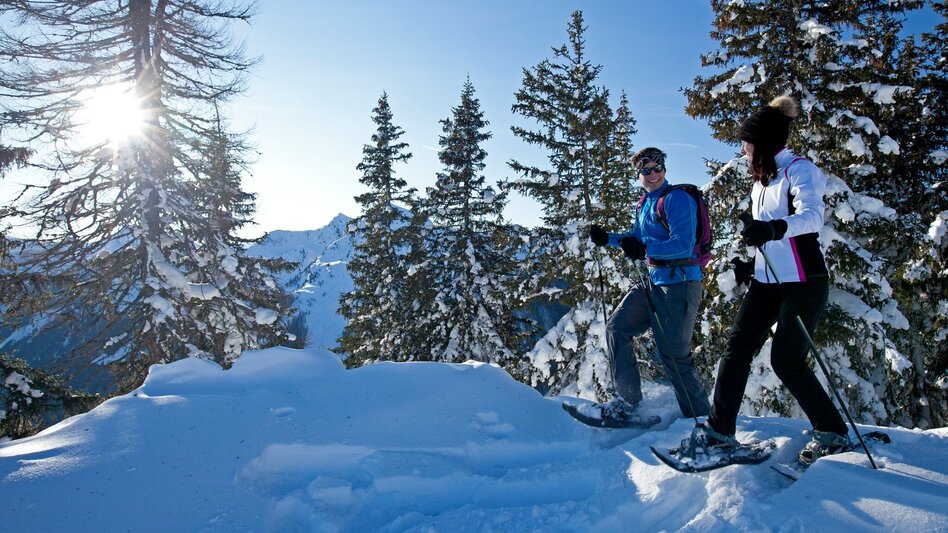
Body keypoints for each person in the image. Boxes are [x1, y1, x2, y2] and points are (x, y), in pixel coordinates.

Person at [700, 95, 851, 465]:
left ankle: (833, 433)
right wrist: (748, 265)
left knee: (787, 361)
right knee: (735, 352)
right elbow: (767, 239)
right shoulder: (761, 182)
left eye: (747, 142)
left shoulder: (799, 170)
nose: (742, 148)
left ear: (763, 143)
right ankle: (719, 434)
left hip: (804, 281)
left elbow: (814, 217)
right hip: (767, 283)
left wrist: (773, 227)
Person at [588, 147, 711, 423]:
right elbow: (636, 238)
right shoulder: (645, 202)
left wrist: (644, 249)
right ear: (639, 174)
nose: (652, 174)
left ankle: (701, 422)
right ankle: (628, 404)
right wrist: (607, 238)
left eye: (657, 168)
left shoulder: (676, 199)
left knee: (674, 355)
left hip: (680, 283)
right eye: (646, 170)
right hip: (652, 283)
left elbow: (683, 244)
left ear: (664, 169)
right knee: (617, 328)